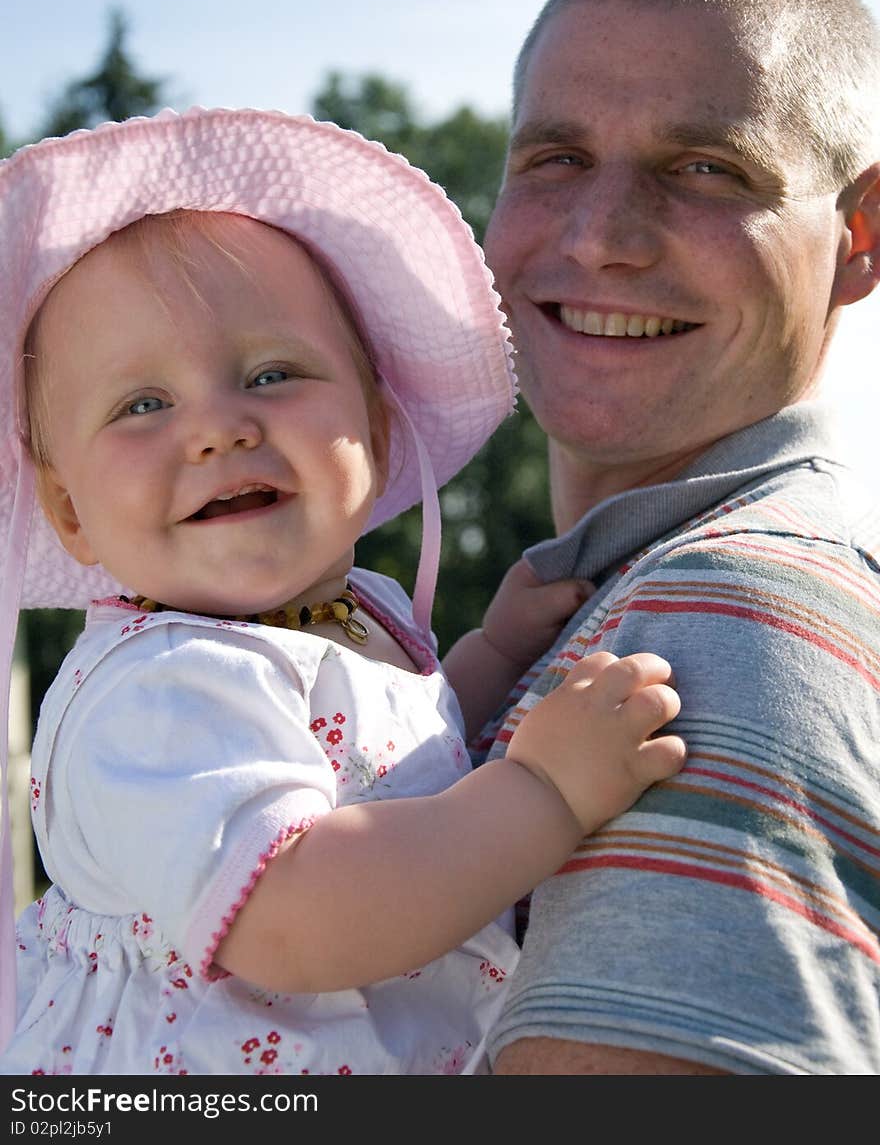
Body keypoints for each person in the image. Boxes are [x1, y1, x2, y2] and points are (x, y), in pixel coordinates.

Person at [0, 107, 685, 1076]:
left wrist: (490, 658)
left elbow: (395, 771)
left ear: (375, 421)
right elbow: (301, 912)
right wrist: (542, 789)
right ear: (68, 507)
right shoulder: (157, 693)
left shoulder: (354, 614)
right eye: (142, 404)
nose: (220, 428)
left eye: (273, 373)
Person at [470, 0, 880, 1076]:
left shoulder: (714, 620)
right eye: (553, 158)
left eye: (704, 168)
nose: (600, 238)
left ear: (858, 234)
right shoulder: (608, 601)